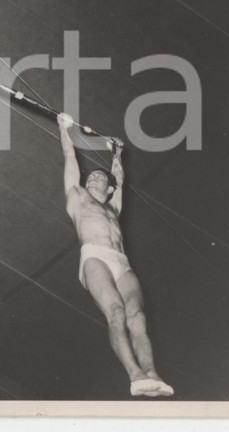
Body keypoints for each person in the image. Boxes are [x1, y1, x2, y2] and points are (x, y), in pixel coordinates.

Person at [57, 113, 174, 398]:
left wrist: (117, 153)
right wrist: (64, 128)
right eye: (91, 176)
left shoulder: (114, 208)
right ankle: (135, 375)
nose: (93, 177)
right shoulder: (77, 197)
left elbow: (119, 179)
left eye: (99, 177)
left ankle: (152, 374)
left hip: (122, 263)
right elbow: (70, 156)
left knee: (137, 316)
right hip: (94, 257)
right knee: (117, 313)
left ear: (108, 189)